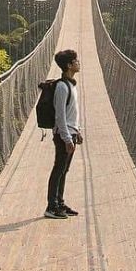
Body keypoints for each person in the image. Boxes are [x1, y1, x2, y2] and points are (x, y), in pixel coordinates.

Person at [45, 48, 82, 218]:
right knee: (58, 169)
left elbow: (71, 113)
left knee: (64, 170)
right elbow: (60, 116)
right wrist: (67, 139)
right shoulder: (62, 87)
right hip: (63, 135)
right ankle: (51, 207)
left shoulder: (71, 85)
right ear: (69, 65)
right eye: (76, 61)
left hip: (70, 133)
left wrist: (77, 132)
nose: (78, 63)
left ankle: (60, 203)